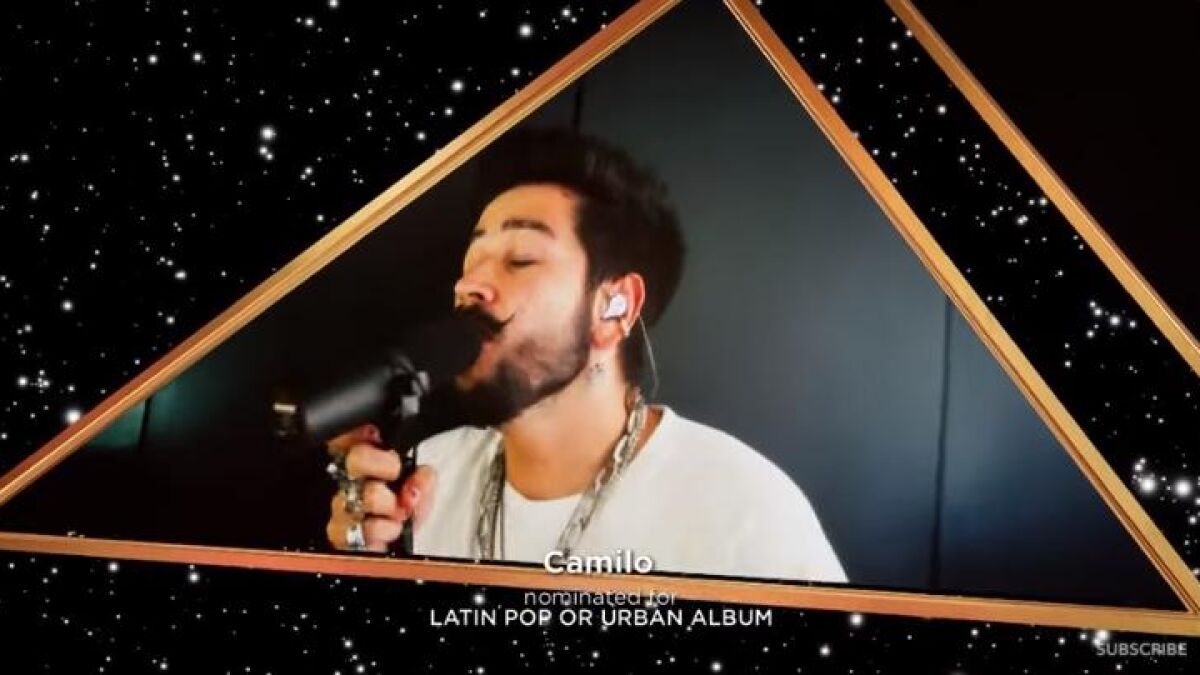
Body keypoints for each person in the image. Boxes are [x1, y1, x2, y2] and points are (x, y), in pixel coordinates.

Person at [325, 127, 847, 583]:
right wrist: (362, 560)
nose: (468, 287)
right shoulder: (425, 477)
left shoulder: (743, 507)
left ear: (614, 308)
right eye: (472, 261)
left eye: (520, 259)